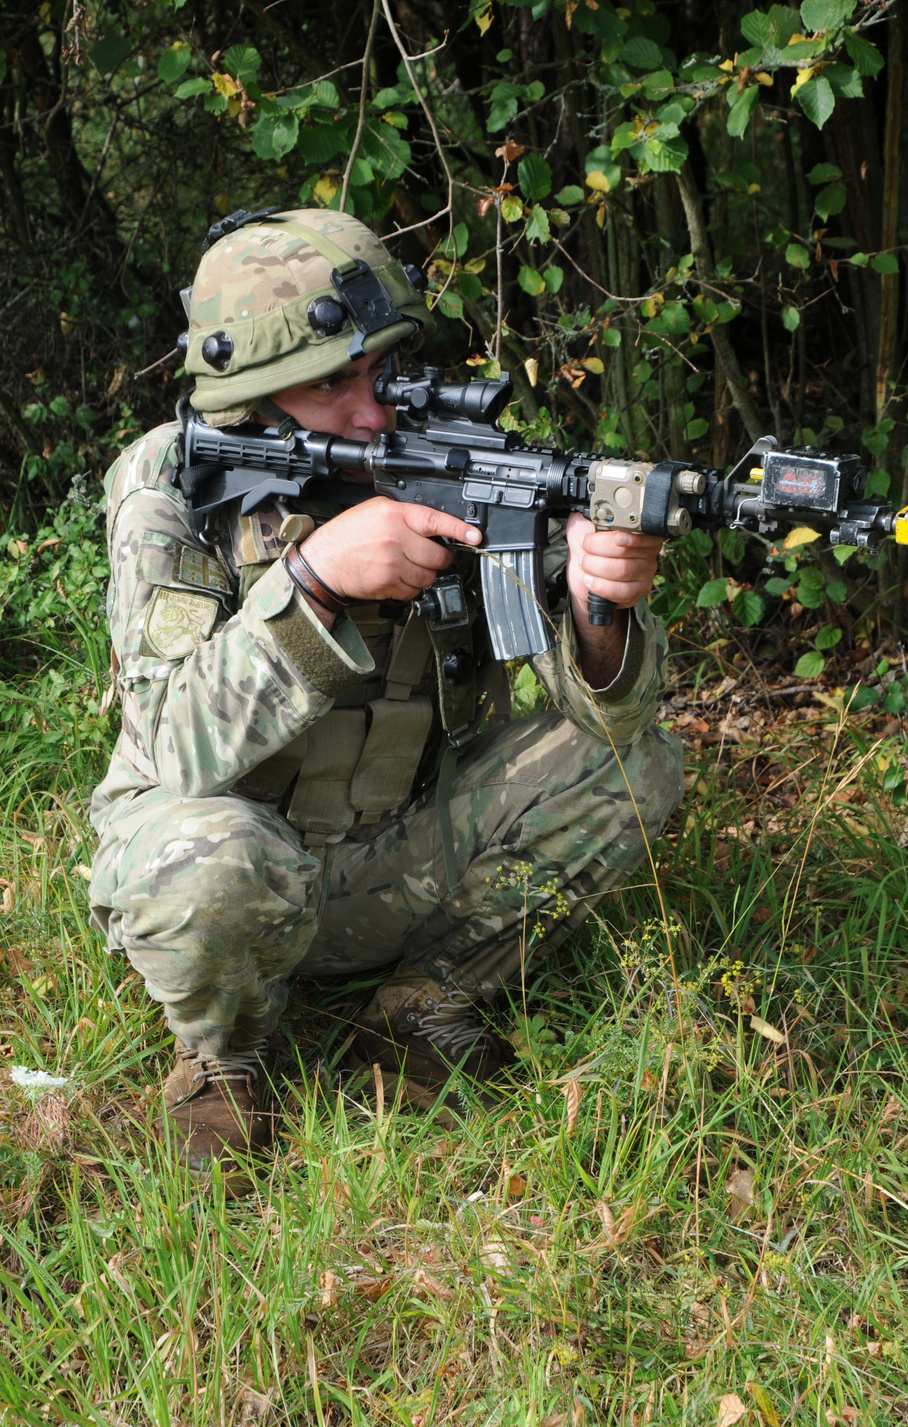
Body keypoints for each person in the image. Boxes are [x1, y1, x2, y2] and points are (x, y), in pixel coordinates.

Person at [87, 206, 684, 1184]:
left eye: (385, 371)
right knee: (212, 859)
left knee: (639, 764)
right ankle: (224, 1058)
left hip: (400, 855)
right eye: (331, 383)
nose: (373, 411)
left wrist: (595, 605)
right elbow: (173, 742)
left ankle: (418, 1008)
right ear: (252, 394)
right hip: (232, 870)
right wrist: (313, 582)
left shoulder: (455, 452)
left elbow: (608, 724)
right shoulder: (169, 485)